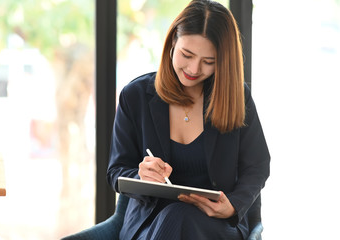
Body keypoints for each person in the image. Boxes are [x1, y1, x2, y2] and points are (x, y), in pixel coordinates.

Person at [107, 0, 270, 239]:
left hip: (215, 225)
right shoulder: (136, 96)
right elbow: (116, 171)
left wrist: (233, 205)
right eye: (187, 54)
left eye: (209, 62)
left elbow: (257, 165)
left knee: (179, 216)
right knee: (174, 216)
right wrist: (141, 176)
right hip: (148, 225)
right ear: (173, 41)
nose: (194, 69)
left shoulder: (237, 97)